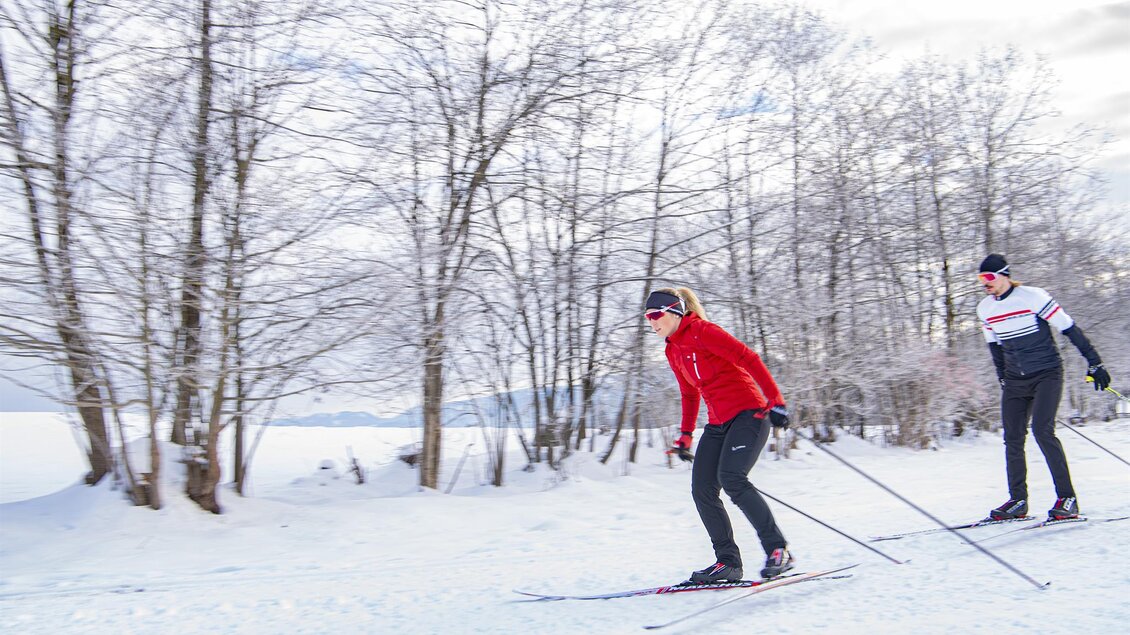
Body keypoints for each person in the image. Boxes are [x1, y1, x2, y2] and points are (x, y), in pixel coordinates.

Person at [644, 287, 793, 582]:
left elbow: (748, 358)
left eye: (656, 315)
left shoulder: (703, 331)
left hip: (750, 413)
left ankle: (778, 550)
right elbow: (689, 394)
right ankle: (728, 563)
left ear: (674, 311)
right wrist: (685, 436)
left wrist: (776, 401)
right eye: (647, 317)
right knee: (702, 489)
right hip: (718, 423)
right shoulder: (672, 349)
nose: (651, 322)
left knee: (733, 478)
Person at [976, 254, 1112, 521]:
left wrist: (1095, 363)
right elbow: (994, 347)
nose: (985, 283)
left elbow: (1070, 328)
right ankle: (1018, 501)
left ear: (1004, 275)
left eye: (989, 277)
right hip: (1015, 381)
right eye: (981, 279)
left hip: (1046, 374)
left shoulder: (1032, 297)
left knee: (1042, 431)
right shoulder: (985, 309)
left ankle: (1067, 498)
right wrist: (1003, 377)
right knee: (1012, 438)